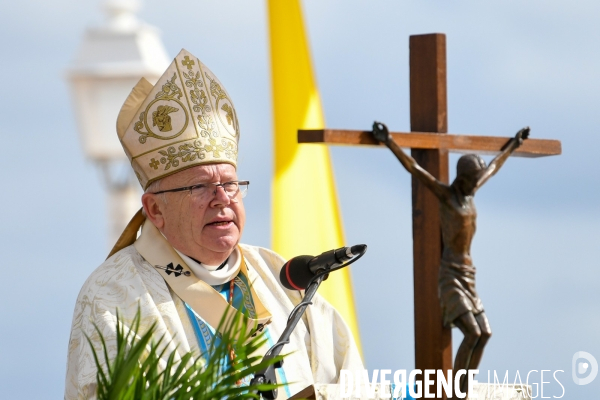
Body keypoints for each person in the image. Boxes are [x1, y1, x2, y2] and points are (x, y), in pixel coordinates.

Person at [65, 49, 363, 400]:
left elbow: (348, 378)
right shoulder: (113, 295)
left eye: (231, 184)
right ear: (155, 209)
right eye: (200, 187)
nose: (222, 198)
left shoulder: (279, 277)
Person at [372, 121, 529, 397]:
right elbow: (415, 169)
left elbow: (494, 167)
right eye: (473, 178)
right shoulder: (448, 196)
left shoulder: (471, 193)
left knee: (485, 333)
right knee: (471, 332)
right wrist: (389, 141)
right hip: (450, 275)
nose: (476, 182)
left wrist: (514, 144)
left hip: (469, 273)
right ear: (462, 178)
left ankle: (464, 388)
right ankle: (456, 391)